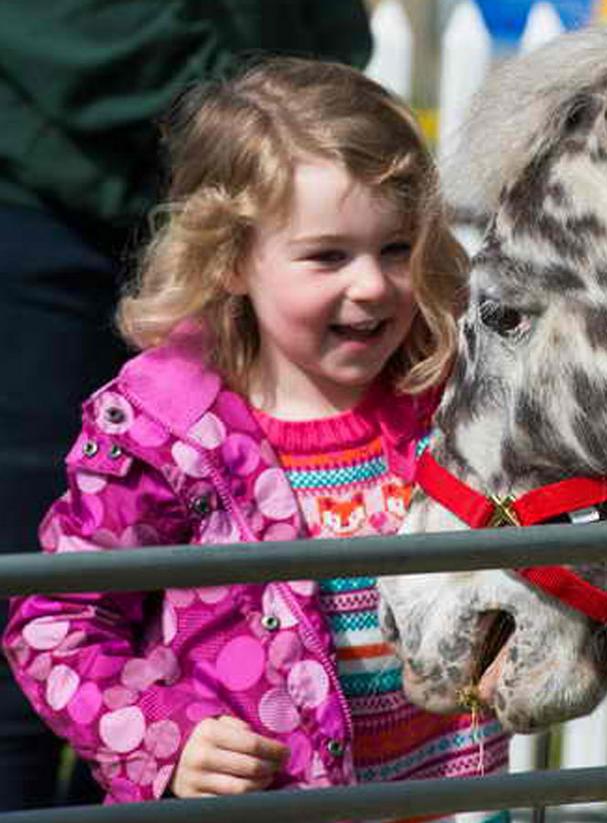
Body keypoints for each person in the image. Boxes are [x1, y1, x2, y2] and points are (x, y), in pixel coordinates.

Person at [1, 57, 510, 819]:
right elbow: (55, 623)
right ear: (232, 258)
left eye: (397, 247)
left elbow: (511, 553)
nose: (372, 284)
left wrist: (507, 631)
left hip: (443, 799)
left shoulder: (447, 401)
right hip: (254, 808)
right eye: (328, 255)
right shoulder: (164, 432)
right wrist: (168, 739)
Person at [0, 2, 372, 809]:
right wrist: (253, 128)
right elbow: (55, 619)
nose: (377, 285)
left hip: (268, 205)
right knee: (35, 612)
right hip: (54, 203)